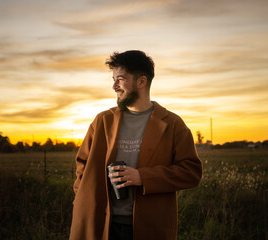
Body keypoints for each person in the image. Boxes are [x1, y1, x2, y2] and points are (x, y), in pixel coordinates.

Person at [69, 50, 202, 240]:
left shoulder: (173, 124)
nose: (114, 85)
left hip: (149, 227)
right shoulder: (102, 121)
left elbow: (191, 172)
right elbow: (82, 167)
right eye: (113, 79)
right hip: (100, 224)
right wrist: (83, 201)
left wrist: (142, 177)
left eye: (120, 79)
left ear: (141, 82)